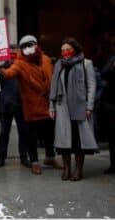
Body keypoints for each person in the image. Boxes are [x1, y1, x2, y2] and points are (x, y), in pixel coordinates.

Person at [0, 35, 62, 175]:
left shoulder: (45, 59)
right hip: (31, 104)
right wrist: (0, 71)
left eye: (30, 44)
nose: (28, 48)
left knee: (49, 132)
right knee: (31, 134)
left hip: (48, 102)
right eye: (25, 46)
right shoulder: (19, 63)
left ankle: (50, 157)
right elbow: (10, 73)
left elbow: (53, 78)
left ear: (36, 45)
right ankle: (34, 161)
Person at [49, 37, 98, 181]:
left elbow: (92, 85)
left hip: (80, 107)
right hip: (62, 107)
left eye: (68, 49)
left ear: (75, 49)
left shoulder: (86, 63)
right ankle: (66, 169)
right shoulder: (59, 65)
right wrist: (51, 106)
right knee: (64, 141)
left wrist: (89, 106)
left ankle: (78, 170)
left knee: (78, 140)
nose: (65, 52)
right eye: (62, 50)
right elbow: (53, 87)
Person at [0, 45, 31, 168]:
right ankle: (1, 157)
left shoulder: (23, 67)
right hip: (5, 105)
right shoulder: (2, 67)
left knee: (23, 132)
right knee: (4, 132)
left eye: (15, 53)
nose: (13, 55)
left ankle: (24, 157)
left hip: (21, 105)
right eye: (11, 53)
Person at [101, 36, 115, 174]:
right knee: (112, 135)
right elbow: (103, 73)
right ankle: (113, 163)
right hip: (112, 102)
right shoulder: (112, 59)